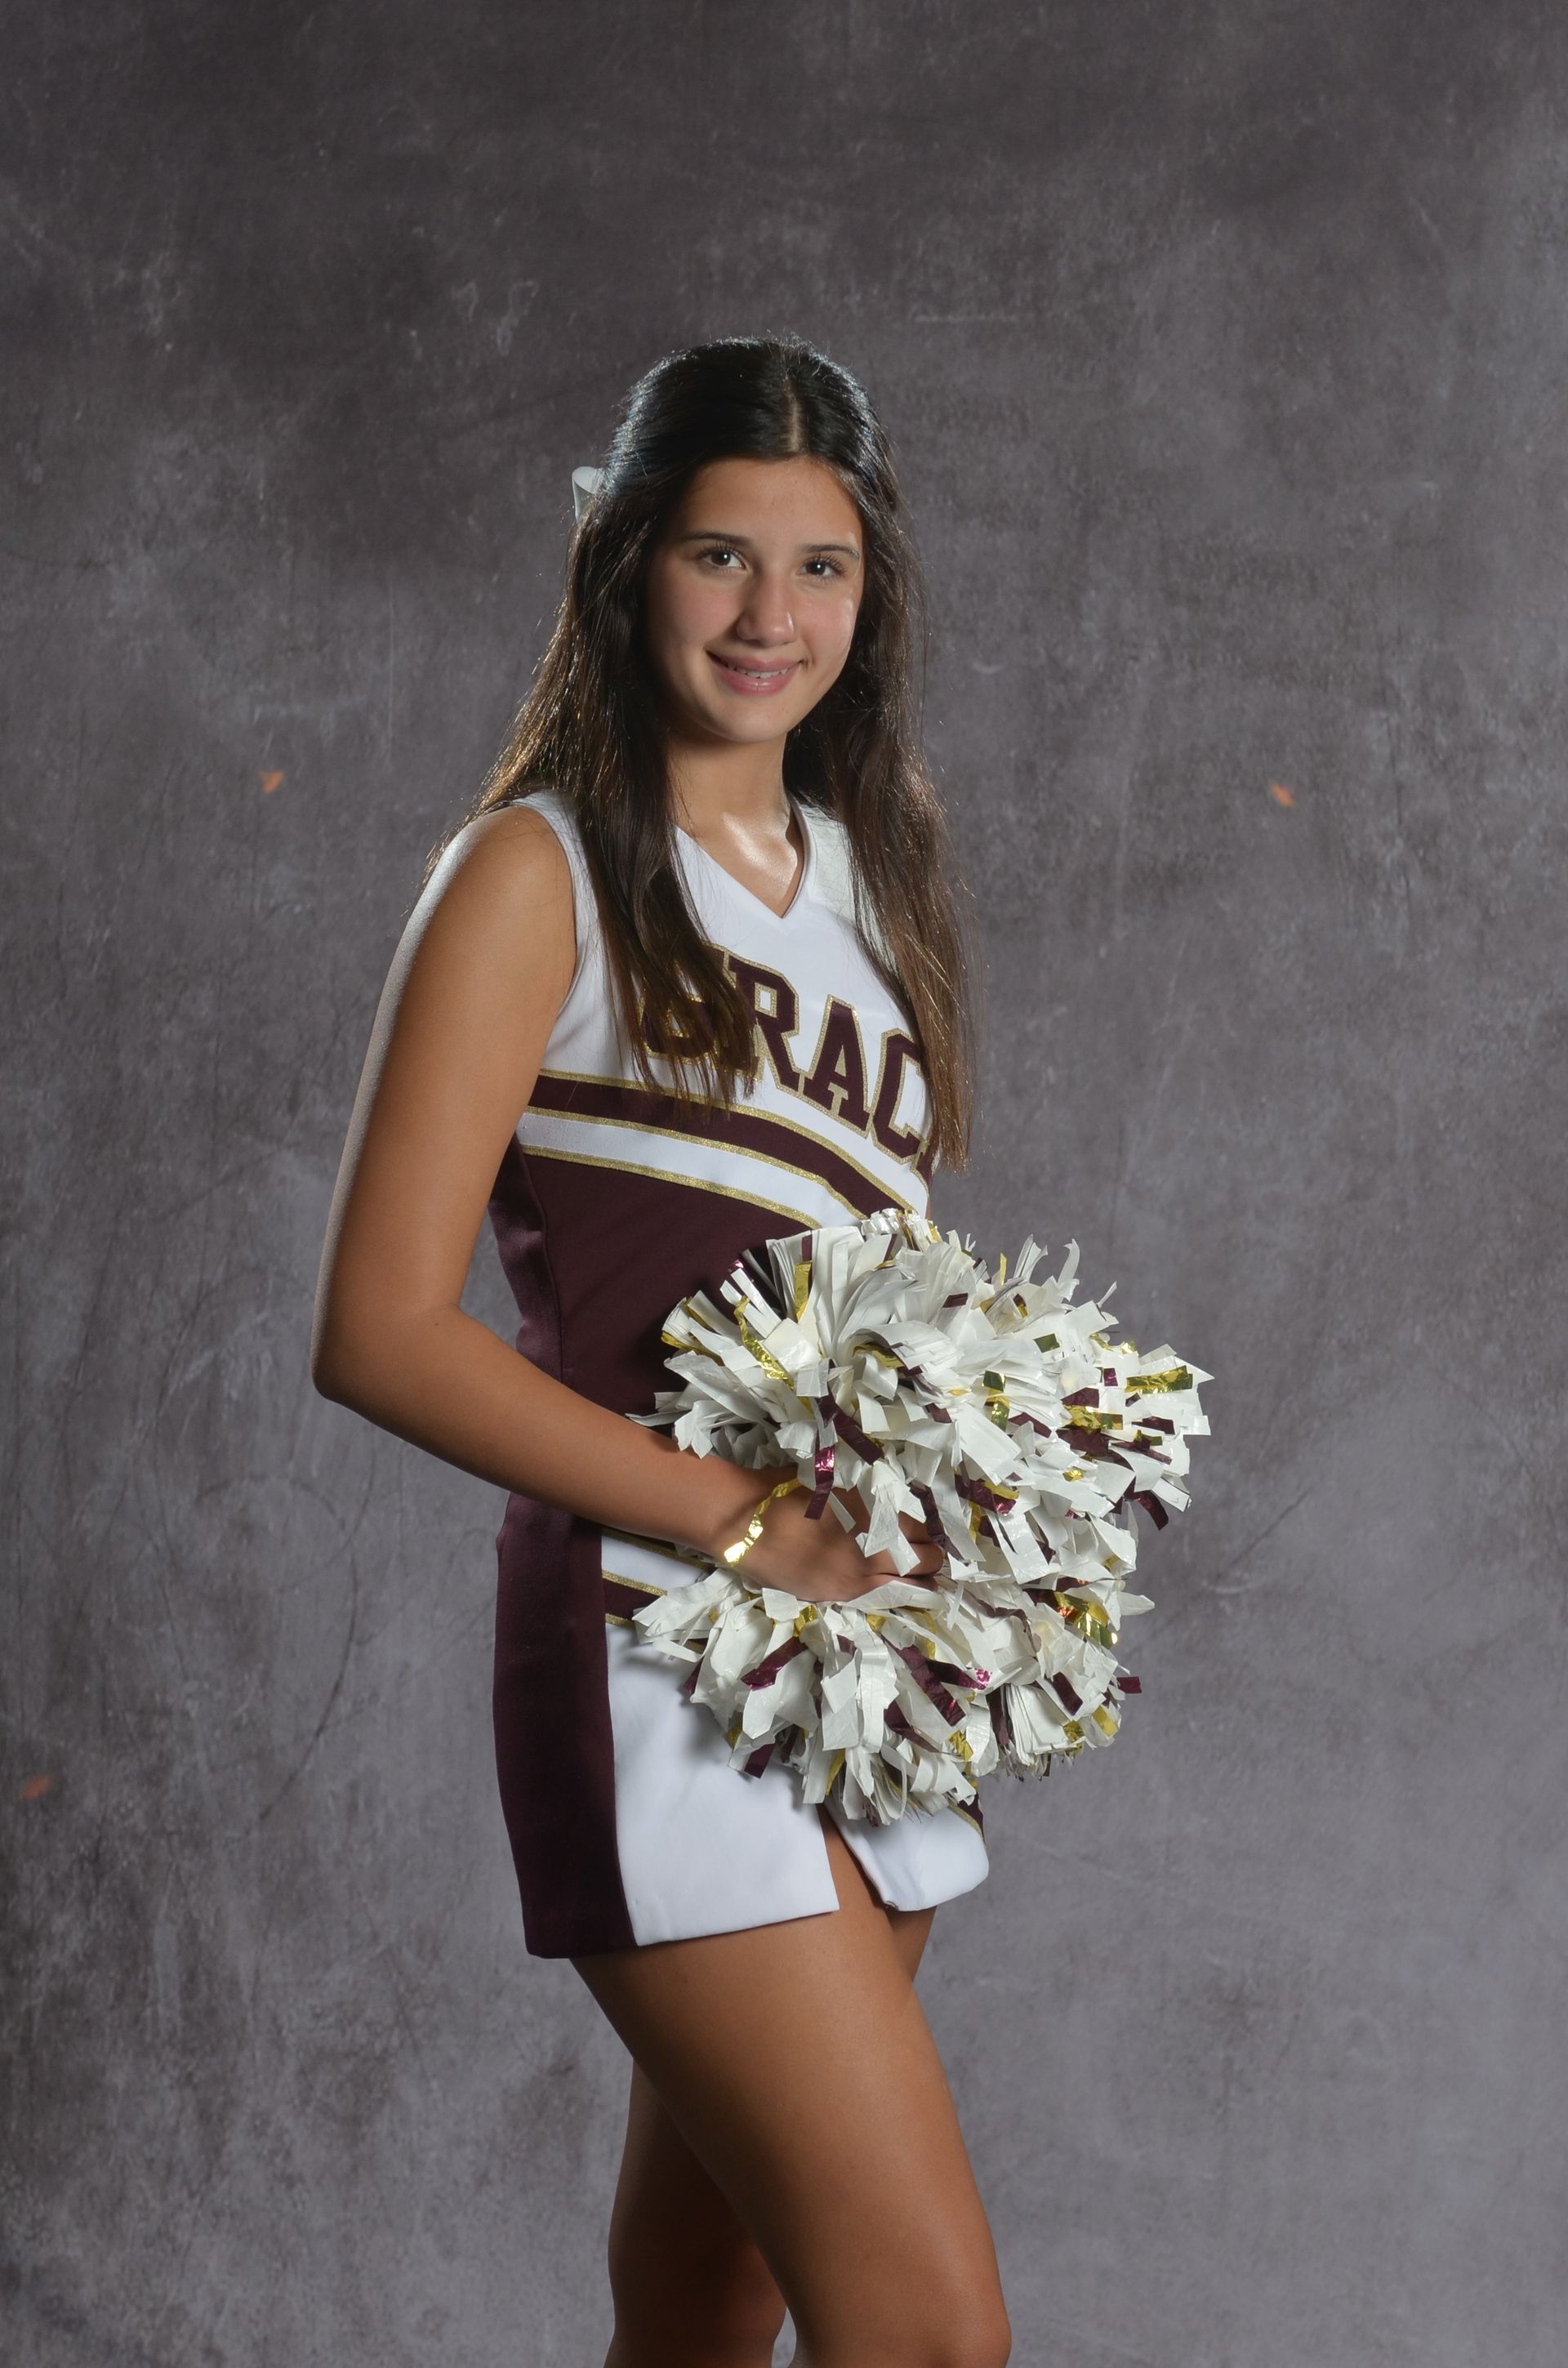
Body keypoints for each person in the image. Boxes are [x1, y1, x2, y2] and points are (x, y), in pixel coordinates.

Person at [311, 336, 1012, 2368]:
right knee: (926, 2334)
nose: (769, 618)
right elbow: (375, 1331)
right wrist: (747, 1526)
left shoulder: (874, 890)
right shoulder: (536, 873)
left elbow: (892, 1319)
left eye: (821, 568)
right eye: (719, 556)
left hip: (861, 1677)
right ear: (627, 565)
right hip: (653, 1660)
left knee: (699, 2314)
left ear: (871, 597)